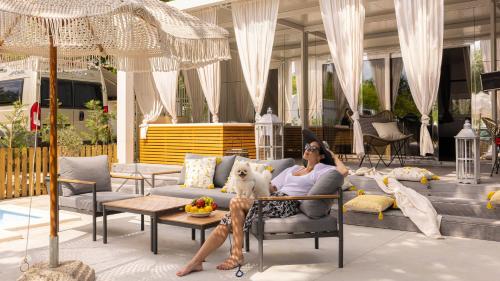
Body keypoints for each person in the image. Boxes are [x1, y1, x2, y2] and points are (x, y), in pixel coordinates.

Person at [176, 129, 348, 277]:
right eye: (306, 147)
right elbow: (271, 187)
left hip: (287, 203)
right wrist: (255, 181)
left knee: (235, 203)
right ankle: (196, 261)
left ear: (320, 156)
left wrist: (333, 156)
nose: (308, 150)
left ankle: (237, 256)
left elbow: (343, 172)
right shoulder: (293, 169)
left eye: (313, 148)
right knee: (227, 221)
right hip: (272, 198)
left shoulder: (321, 169)